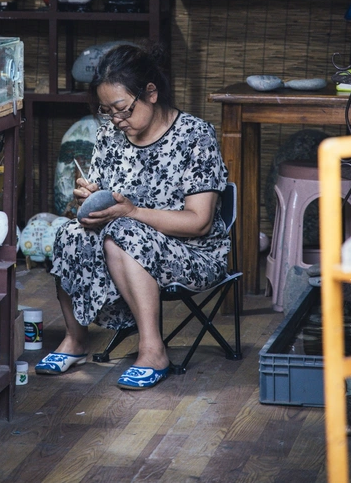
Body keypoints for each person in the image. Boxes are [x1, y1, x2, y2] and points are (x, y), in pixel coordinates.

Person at [35, 41, 229, 389]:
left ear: (151, 93)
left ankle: (153, 350)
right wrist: (90, 200)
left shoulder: (195, 136)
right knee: (68, 233)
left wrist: (132, 212)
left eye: (122, 109)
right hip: (120, 239)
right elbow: (105, 201)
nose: (116, 120)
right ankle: (76, 340)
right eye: (107, 111)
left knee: (124, 232)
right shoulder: (112, 135)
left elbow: (198, 222)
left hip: (192, 252)